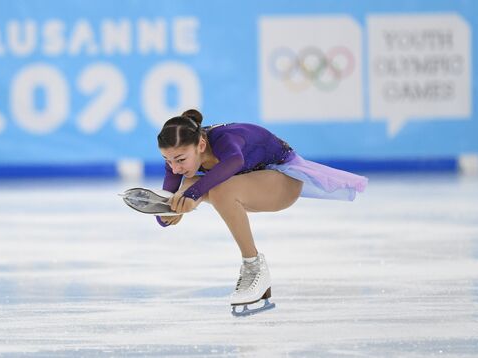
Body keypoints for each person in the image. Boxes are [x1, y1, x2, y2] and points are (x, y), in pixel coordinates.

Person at [156, 109, 368, 315]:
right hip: (248, 184)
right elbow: (165, 203)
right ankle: (252, 266)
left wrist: (193, 195)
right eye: (168, 161)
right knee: (191, 182)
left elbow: (234, 161)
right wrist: (168, 213)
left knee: (214, 189)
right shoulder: (179, 157)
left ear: (201, 145)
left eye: (181, 160)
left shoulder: (225, 139)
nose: (174, 168)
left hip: (283, 180)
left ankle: (253, 266)